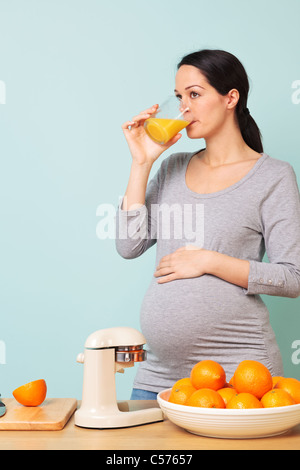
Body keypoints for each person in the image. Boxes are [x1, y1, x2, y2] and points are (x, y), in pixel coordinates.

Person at [115, 49, 300, 400]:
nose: (183, 108)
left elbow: (293, 278)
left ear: (231, 98)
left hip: (240, 375)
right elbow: (128, 245)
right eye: (179, 97)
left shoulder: (273, 177)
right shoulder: (171, 168)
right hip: (159, 375)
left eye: (195, 95)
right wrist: (142, 163)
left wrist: (208, 260)